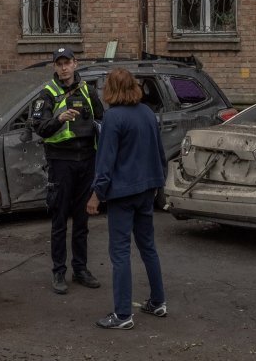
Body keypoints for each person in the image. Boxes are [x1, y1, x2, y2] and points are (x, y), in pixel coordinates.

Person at [87, 68, 166, 330]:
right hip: (147, 189)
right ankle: (158, 302)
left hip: (122, 193)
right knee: (148, 247)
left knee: (120, 252)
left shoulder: (113, 118)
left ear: (110, 89)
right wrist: (158, 181)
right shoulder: (147, 113)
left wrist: (97, 194)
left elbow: (106, 160)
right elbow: (159, 152)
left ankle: (122, 315)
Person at [32, 46, 104, 294]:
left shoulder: (88, 91)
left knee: (82, 219)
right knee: (60, 218)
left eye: (67, 63)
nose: (63, 68)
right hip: (61, 161)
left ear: (75, 64)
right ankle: (58, 272)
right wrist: (59, 119)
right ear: (55, 67)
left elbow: (102, 121)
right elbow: (39, 128)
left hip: (86, 159)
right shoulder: (47, 95)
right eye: (59, 64)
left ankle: (81, 269)